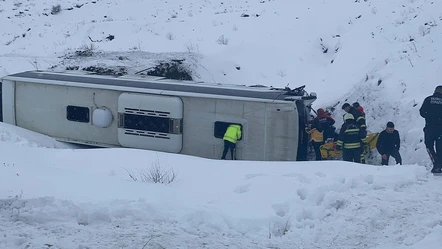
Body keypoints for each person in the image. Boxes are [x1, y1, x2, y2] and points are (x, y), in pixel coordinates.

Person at [419, 85, 442, 173]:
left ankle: (436, 164)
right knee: (440, 148)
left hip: (430, 128)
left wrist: (430, 117)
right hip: (440, 129)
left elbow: (422, 112)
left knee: (429, 146)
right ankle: (439, 164)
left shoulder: (428, 99)